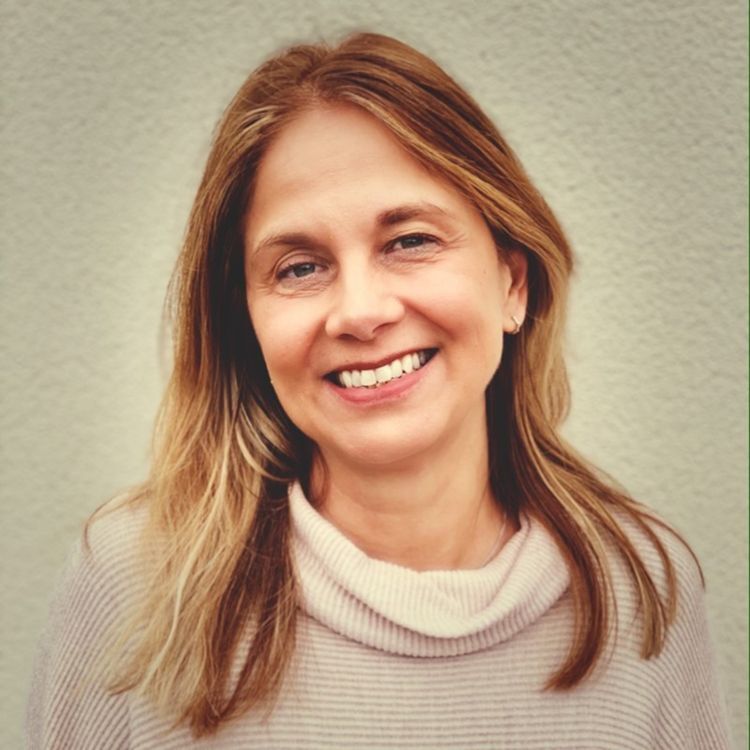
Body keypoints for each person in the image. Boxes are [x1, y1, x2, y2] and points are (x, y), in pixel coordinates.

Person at [27, 32, 731, 749]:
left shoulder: (646, 589)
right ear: (246, 322)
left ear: (512, 283)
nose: (360, 312)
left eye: (410, 241)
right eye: (300, 267)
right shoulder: (131, 586)